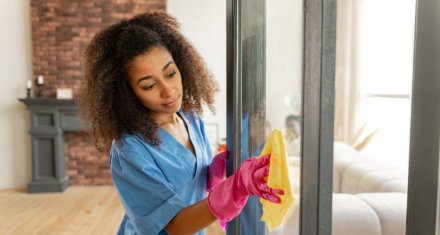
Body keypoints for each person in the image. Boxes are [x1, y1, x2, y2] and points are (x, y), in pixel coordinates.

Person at [79, 12, 284, 235]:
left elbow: (193, 178)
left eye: (170, 73)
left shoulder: (190, 117)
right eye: (149, 86)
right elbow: (175, 225)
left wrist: (216, 171)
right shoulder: (130, 151)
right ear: (128, 93)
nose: (169, 90)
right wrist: (234, 190)